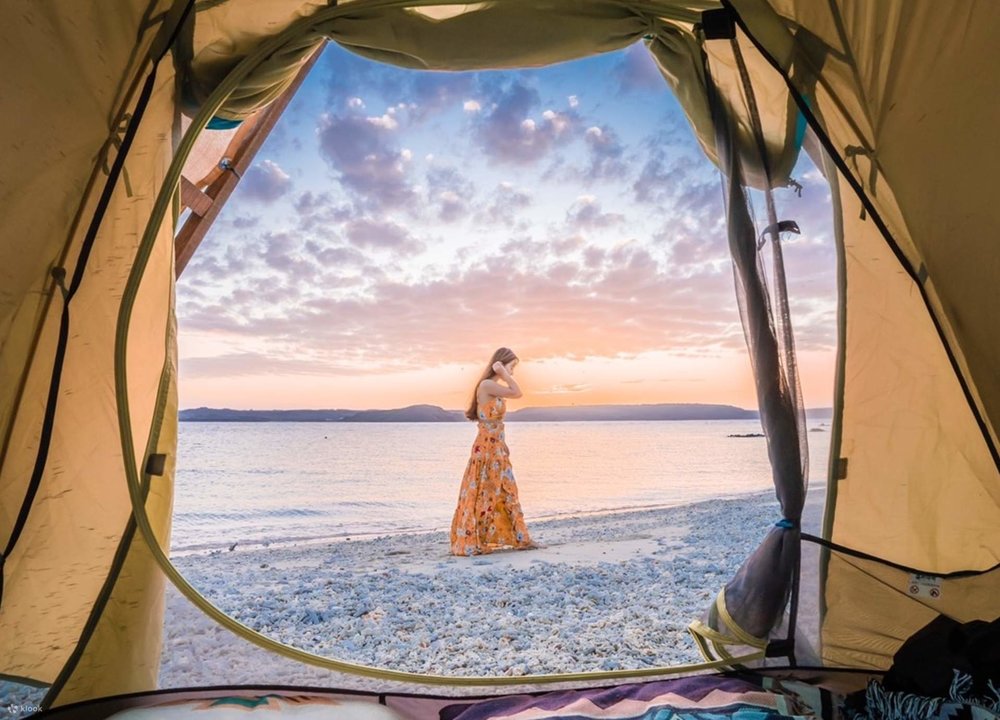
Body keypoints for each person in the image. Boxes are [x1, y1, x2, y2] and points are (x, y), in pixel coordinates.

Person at [450, 347, 536, 556]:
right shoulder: (487, 384)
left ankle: (518, 537)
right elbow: (517, 392)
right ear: (500, 363)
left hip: (496, 447)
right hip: (487, 449)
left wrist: (504, 446)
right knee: (485, 491)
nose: (512, 373)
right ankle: (478, 539)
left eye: (513, 369)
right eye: (511, 367)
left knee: (504, 490)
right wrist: (504, 372)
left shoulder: (492, 386)